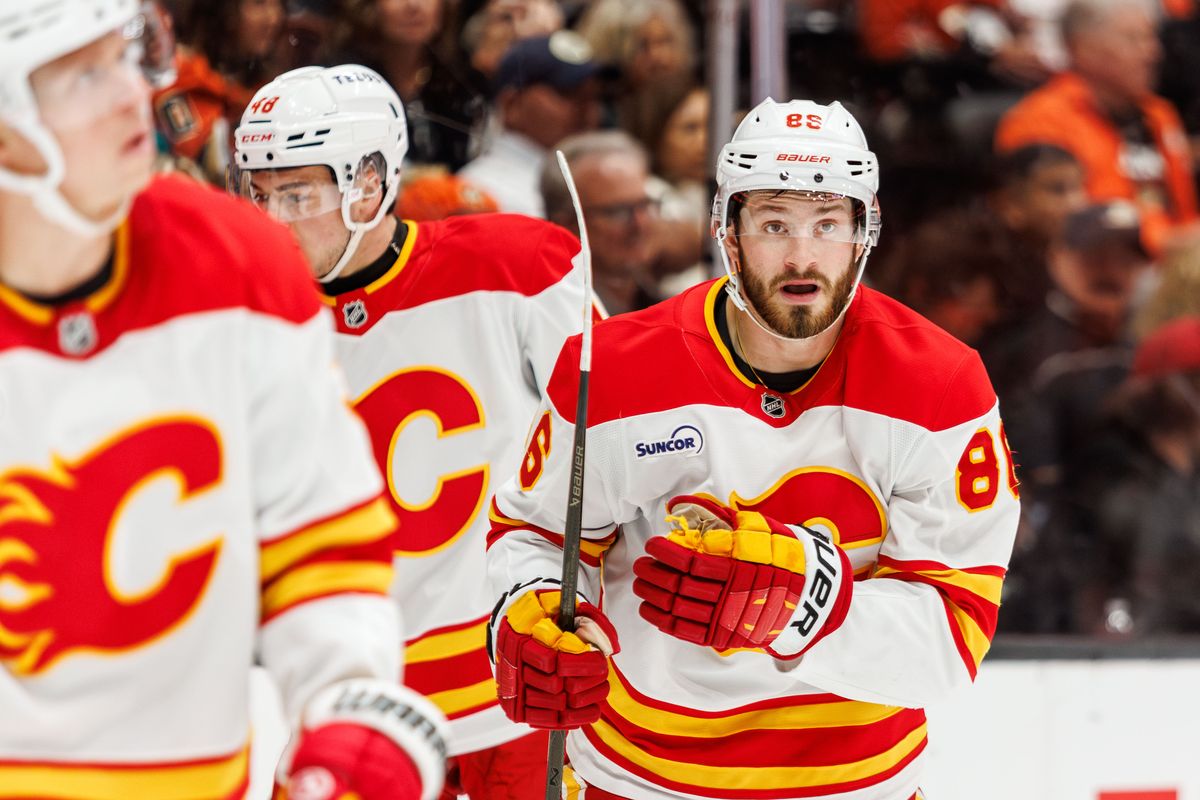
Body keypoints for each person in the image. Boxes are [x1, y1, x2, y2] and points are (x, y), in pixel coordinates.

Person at [486, 98, 1019, 799]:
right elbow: (537, 531)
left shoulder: (943, 386)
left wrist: (801, 601)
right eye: (774, 224)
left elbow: (949, 646)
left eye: (828, 224)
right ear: (727, 232)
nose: (803, 255)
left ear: (866, 232)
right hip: (639, 780)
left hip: (859, 787)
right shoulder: (613, 366)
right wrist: (528, 616)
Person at [0, 4, 447, 800]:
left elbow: (317, 536)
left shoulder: (238, 262)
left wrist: (346, 699)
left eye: (124, 56)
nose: (133, 93)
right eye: (78, 76)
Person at [231, 63, 592, 799]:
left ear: (368, 183)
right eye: (260, 195)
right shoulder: (242, 323)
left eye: (298, 194)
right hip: (352, 710)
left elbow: (619, 436)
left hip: (516, 697)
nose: (272, 221)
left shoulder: (517, 269)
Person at [994, 0, 1198, 253]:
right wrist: (1174, 242)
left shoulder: (1160, 113)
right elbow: (1074, 229)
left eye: (1152, 39)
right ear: (1082, 48)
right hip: (1099, 269)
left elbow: (1185, 215)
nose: (1153, 53)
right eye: (1134, 39)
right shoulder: (1038, 124)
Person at [458, 32, 600, 218]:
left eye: (595, 96)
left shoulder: (583, 178)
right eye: (567, 93)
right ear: (511, 104)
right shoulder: (484, 189)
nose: (587, 108)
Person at [542, 131, 661, 315]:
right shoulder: (556, 318)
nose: (640, 224)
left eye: (644, 205)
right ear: (567, 224)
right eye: (618, 212)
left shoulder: (666, 306)